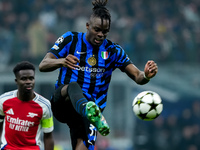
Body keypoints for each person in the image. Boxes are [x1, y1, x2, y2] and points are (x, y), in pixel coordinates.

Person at [39, 0, 158, 149]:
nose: (101, 34)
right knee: (73, 86)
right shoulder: (71, 39)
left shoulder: (113, 51)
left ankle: (90, 112)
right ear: (87, 26)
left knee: (83, 146)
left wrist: (146, 75)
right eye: (97, 29)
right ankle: (88, 109)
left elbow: (137, 76)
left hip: (90, 113)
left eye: (105, 31)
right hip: (63, 103)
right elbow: (43, 65)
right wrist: (62, 61)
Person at [0, 61, 54, 150]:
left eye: (31, 78)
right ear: (16, 81)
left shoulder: (45, 106)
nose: (28, 82)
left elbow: (48, 136)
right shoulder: (3, 100)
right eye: (24, 79)